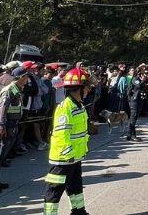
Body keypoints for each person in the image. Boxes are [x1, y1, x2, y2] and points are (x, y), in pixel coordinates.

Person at [43, 67, 92, 215]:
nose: (89, 90)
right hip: (64, 158)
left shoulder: (79, 105)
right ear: (79, 88)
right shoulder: (65, 107)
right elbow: (61, 134)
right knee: (54, 190)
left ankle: (79, 211)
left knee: (75, 186)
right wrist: (68, 153)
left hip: (75, 157)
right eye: (87, 87)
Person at [0, 66, 28, 194]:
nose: (27, 80)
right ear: (21, 77)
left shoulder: (17, 89)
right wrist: (1, 125)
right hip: (5, 126)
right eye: (26, 77)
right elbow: (2, 108)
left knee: (2, 156)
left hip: (12, 125)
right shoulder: (9, 90)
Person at [125, 67, 146, 141]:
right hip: (134, 100)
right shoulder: (135, 79)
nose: (144, 73)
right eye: (143, 71)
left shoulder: (138, 79)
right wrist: (143, 81)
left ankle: (130, 135)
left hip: (138, 100)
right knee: (133, 118)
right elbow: (138, 85)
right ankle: (131, 135)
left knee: (134, 118)